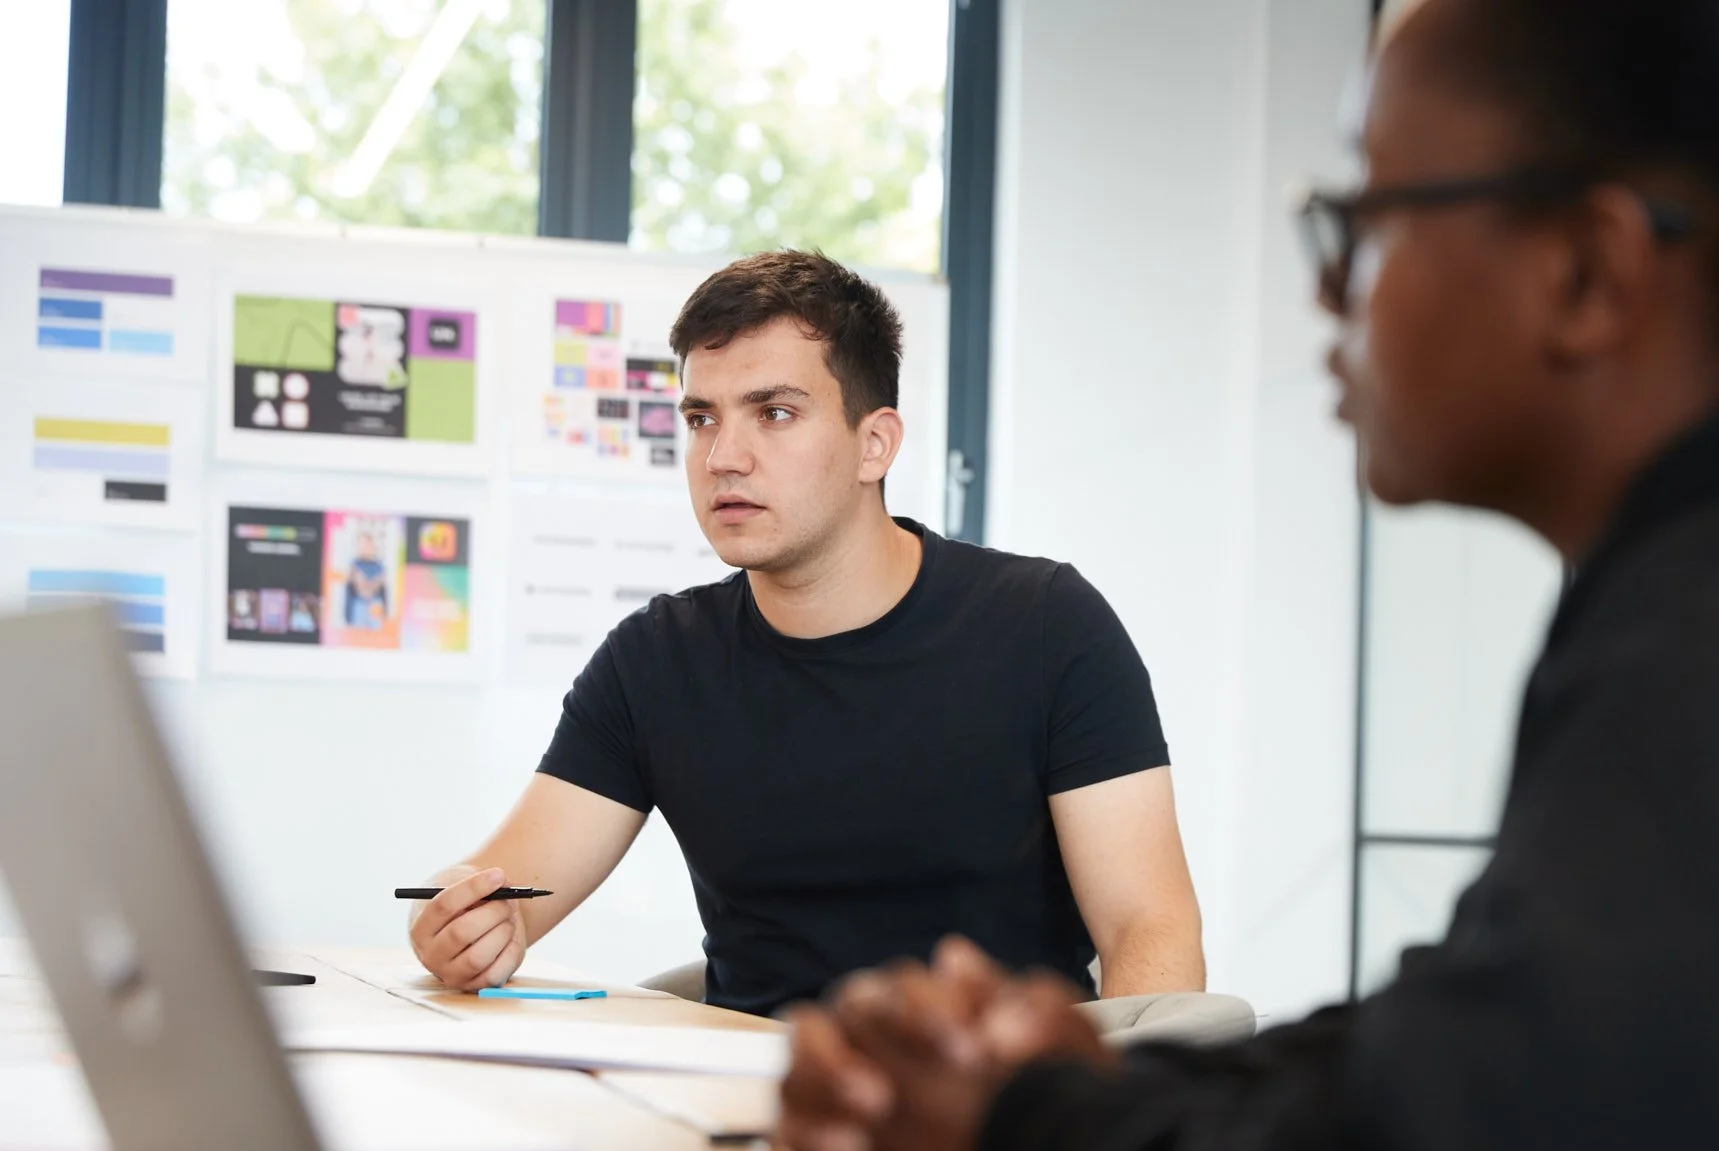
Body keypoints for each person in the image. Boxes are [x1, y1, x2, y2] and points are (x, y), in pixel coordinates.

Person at [775, 0, 1719, 1151]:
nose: (1324, 287)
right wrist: (1083, 1082)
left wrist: (1012, 1144)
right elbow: (1493, 1052)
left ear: (1586, 274)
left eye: (1362, 223)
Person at [408, 251, 1205, 1016]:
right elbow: (502, 888)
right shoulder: (655, 660)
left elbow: (1152, 932)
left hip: (998, 1120)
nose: (723, 456)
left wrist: (1102, 1132)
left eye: (775, 413)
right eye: (700, 417)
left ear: (875, 443)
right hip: (747, 1115)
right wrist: (463, 923)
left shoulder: (1047, 625)